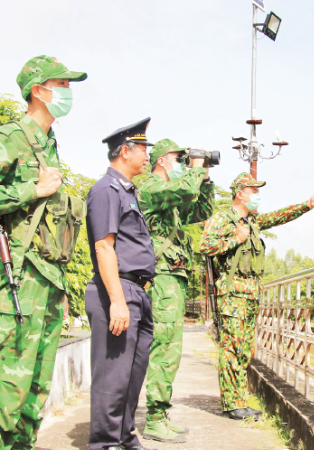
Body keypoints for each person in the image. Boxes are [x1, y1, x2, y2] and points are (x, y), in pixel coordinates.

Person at [0, 55, 87, 449]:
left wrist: (62, 290)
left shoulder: (48, 143)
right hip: (19, 278)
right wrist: (32, 189)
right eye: (62, 85)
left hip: (48, 280)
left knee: (35, 388)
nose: (67, 93)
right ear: (38, 90)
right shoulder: (9, 138)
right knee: (6, 387)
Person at [200, 173, 314, 420]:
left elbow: (278, 216)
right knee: (231, 348)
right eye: (253, 191)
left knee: (243, 349)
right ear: (240, 193)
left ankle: (239, 401)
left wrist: (307, 205)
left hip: (250, 294)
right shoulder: (222, 219)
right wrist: (235, 239)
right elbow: (206, 247)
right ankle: (233, 404)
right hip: (232, 294)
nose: (257, 196)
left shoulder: (251, 221)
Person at [86, 118, 157, 450]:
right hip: (117, 290)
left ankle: (125, 436)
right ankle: (105, 443)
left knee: (132, 376)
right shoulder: (106, 190)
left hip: (137, 291)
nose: (147, 156)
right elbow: (104, 247)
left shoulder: (128, 192)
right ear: (125, 151)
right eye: (143, 149)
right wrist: (116, 299)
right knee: (112, 378)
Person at [138, 139, 214, 443]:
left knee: (170, 348)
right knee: (164, 347)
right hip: (162, 276)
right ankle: (154, 417)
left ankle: (161, 414)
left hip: (174, 275)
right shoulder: (152, 188)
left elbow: (202, 208)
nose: (184, 161)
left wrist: (205, 177)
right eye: (178, 158)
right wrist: (194, 170)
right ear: (161, 161)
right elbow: (185, 190)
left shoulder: (172, 197)